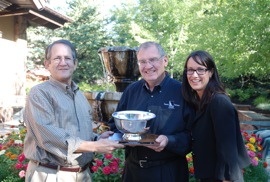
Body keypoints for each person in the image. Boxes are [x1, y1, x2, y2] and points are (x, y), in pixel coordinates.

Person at [23, 39, 124, 182]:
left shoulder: (80, 96)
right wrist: (94, 146)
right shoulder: (39, 93)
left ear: (75, 64)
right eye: (57, 58)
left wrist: (97, 138)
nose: (63, 62)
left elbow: (78, 130)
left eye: (67, 58)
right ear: (47, 64)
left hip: (82, 175)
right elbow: (49, 136)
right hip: (52, 174)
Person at [109, 41, 193, 182]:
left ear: (165, 60)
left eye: (153, 60)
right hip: (133, 172)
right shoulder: (131, 91)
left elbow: (193, 135)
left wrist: (169, 140)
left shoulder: (183, 92)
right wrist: (121, 137)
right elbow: (115, 125)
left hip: (169, 172)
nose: (148, 66)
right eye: (142, 62)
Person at [181, 50, 251, 182]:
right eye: (190, 70)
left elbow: (228, 150)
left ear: (211, 72)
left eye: (200, 69)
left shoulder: (219, 102)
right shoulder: (199, 102)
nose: (194, 75)